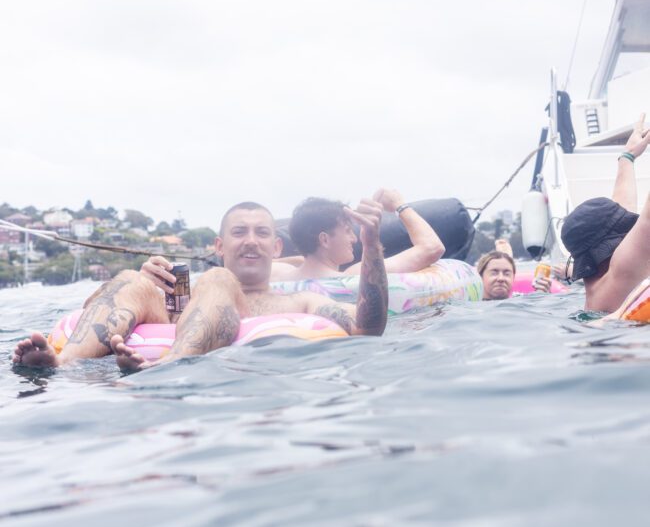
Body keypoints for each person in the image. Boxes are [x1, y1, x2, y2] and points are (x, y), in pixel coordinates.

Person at [13, 200, 389, 371]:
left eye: (262, 233)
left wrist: (371, 247)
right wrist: (144, 281)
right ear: (220, 246)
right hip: (169, 340)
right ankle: (60, 364)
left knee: (217, 280)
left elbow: (367, 330)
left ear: (276, 248)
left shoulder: (303, 301)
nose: (251, 240)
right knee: (131, 278)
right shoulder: (179, 296)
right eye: (239, 232)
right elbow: (84, 313)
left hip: (205, 381)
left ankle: (165, 369)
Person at [561, 113, 650, 313]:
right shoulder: (623, 269)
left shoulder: (598, 278)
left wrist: (628, 157)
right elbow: (646, 220)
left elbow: (621, 206)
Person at [271, 188, 445, 281]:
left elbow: (298, 262)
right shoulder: (354, 277)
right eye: (348, 231)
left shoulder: (277, 275)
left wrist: (301, 260)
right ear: (324, 239)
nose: (354, 239)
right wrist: (399, 206)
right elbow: (432, 248)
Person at [477, 242, 551, 301]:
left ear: (513, 278)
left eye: (507, 274)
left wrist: (543, 298)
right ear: (480, 277)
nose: (501, 278)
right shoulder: (471, 307)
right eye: (494, 273)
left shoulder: (522, 303)